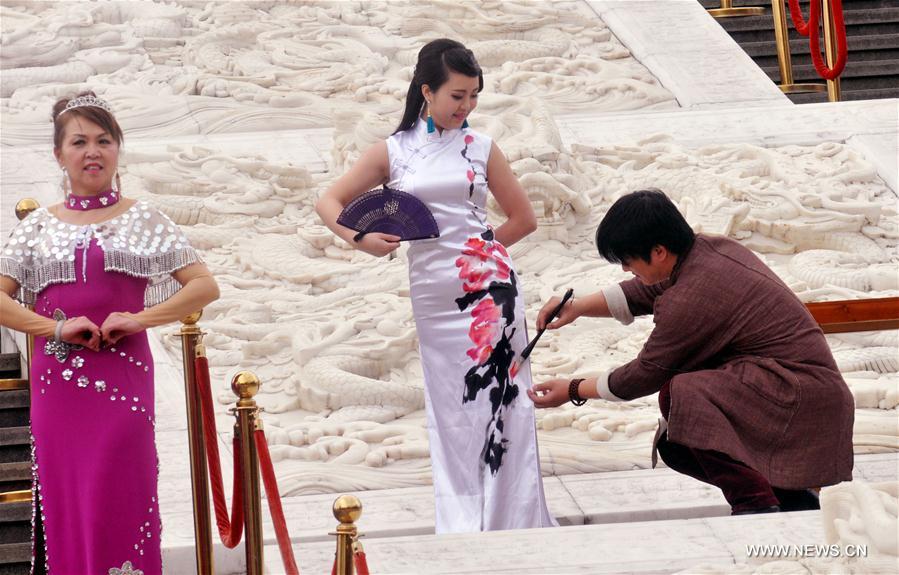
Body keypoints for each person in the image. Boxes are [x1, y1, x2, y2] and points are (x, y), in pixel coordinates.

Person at [316, 39, 556, 533]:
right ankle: (465, 518)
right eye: (457, 95)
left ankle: (515, 516)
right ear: (427, 91)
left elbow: (523, 219)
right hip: (431, 292)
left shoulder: (482, 148)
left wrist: (483, 250)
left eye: (473, 96)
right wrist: (358, 237)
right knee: (451, 407)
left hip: (490, 292)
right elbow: (330, 200)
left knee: (505, 402)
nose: (466, 106)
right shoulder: (394, 150)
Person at [528, 189, 854, 515]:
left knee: (681, 394)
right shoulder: (708, 250)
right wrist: (577, 306)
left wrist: (572, 389)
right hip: (798, 389)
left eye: (628, 261)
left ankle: (756, 506)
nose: (626, 270)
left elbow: (645, 374)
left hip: (798, 396)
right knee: (676, 443)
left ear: (658, 251)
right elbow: (648, 288)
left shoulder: (693, 296)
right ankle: (791, 499)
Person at [0, 91, 219, 574]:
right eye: (79, 141)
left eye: (103, 140)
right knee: (67, 502)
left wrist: (139, 319)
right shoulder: (37, 227)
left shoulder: (144, 219)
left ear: (119, 148)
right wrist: (54, 326)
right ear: (59, 154)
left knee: (122, 489)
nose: (92, 151)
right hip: (58, 389)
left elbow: (204, 286)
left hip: (123, 384)